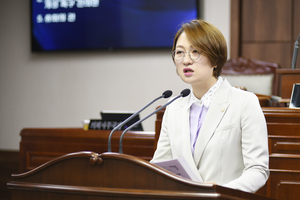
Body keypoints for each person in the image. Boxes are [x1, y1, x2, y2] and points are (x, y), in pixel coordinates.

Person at [150, 19, 269, 193]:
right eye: (179, 53)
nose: (186, 60)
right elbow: (160, 166)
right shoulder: (174, 106)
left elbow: (258, 170)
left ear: (215, 59)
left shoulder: (244, 102)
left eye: (195, 52)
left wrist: (218, 194)